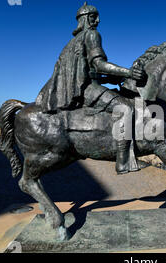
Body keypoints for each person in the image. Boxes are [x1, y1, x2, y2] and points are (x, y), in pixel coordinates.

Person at [36, 2, 144, 174]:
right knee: (125, 108)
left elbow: (87, 72)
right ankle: (123, 161)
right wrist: (129, 72)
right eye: (94, 17)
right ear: (85, 19)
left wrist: (111, 77)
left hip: (82, 86)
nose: (98, 20)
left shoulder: (71, 43)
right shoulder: (92, 35)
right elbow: (99, 64)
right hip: (87, 89)